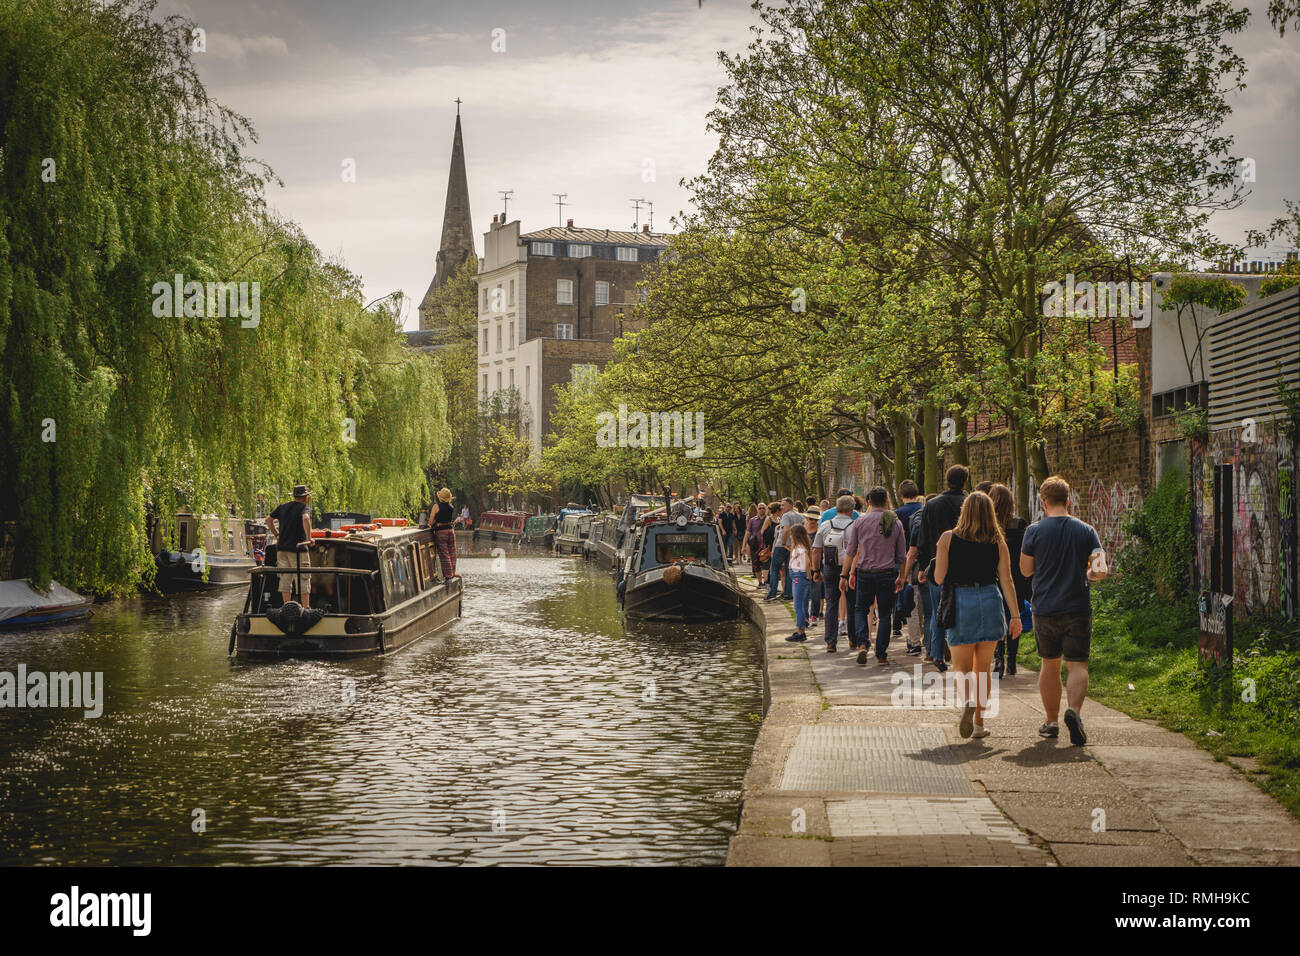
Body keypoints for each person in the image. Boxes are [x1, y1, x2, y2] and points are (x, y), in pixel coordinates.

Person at [1021, 475, 1108, 746]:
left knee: (1050, 664)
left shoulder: (1033, 532)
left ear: (1044, 502)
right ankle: (1075, 712)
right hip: (1077, 607)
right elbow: (1101, 570)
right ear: (1068, 501)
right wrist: (1086, 575)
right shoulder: (1086, 530)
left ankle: (1051, 722)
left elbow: (1025, 570)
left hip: (1045, 607)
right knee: (1077, 664)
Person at [934, 491, 1023, 739]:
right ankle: (979, 725)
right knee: (983, 669)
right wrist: (1015, 616)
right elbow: (1008, 581)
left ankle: (966, 702)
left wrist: (940, 557)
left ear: (964, 511)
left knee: (960, 668)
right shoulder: (998, 542)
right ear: (990, 513)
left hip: (961, 603)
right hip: (990, 601)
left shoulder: (948, 539)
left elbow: (939, 577)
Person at [843, 487, 907, 666]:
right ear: (887, 500)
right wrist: (901, 576)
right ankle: (881, 654)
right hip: (887, 574)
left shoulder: (860, 522)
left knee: (861, 609)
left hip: (864, 573)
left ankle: (863, 642)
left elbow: (851, 551)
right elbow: (902, 555)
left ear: (869, 502)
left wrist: (847, 573)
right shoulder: (895, 522)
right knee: (886, 614)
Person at [915, 465, 970, 672]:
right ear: (965, 481)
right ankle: (961, 654)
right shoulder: (969, 503)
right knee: (963, 613)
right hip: (965, 567)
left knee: (938, 612)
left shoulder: (932, 504)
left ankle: (937, 654)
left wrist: (922, 566)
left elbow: (924, 536)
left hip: (936, 565)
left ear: (947, 481)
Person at [988, 483, 1031, 677]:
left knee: (998, 618)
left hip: (995, 576)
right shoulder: (1020, 524)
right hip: (1017, 577)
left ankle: (999, 658)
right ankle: (1012, 660)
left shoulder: (988, 526)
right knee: (1015, 617)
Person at [811, 495, 856, 652]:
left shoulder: (824, 525)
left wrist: (816, 570)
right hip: (850, 569)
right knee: (852, 603)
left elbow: (816, 551)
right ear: (851, 510)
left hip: (830, 567)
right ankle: (853, 639)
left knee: (831, 603)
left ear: (837, 508)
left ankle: (831, 641)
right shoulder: (854, 526)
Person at [267, 484, 314, 608]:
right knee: (303, 578)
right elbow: (305, 518)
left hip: (281, 549)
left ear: (294, 496)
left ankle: (286, 607)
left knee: (285, 578)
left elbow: (268, 520)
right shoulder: (304, 507)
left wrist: (277, 534)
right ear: (305, 497)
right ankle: (306, 608)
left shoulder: (282, 507)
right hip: (298, 549)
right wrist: (309, 539)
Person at [892, 480, 925, 648]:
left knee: (910, 601)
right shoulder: (925, 510)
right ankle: (926, 637)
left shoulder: (896, 514)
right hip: (925, 562)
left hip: (904, 561)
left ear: (901, 495)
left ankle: (914, 641)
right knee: (924, 604)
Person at [765, 498, 802, 602]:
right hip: (793, 545)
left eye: (783, 505)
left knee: (774, 569)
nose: (781, 507)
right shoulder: (800, 516)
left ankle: (772, 593)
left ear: (790, 505)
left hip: (782, 546)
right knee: (788, 569)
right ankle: (788, 593)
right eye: (781, 505)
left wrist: (784, 543)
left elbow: (785, 530)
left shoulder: (786, 515)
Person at [784, 523, 814, 643]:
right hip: (797, 575)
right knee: (801, 603)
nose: (790, 537)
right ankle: (801, 629)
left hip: (799, 575)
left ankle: (800, 631)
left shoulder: (800, 549)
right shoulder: (799, 547)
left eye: (791, 535)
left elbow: (806, 561)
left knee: (798, 605)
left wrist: (808, 574)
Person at [803, 510, 823, 627]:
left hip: (817, 565)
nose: (813, 522)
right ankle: (805, 616)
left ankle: (814, 615)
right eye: (811, 519)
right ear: (807, 519)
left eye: (816, 520)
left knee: (816, 592)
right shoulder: (802, 532)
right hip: (803, 566)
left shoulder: (820, 532)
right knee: (804, 592)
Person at [432, 487, 458, 579]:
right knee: (452, 553)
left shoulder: (436, 506)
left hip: (441, 531)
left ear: (440, 497)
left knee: (444, 554)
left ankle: (448, 575)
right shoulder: (451, 507)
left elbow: (431, 522)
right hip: (451, 531)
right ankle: (453, 572)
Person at [746, 504, 767, 583]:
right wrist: (744, 546)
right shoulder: (752, 520)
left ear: (766, 509)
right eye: (760, 508)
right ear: (757, 509)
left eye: (763, 508)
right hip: (755, 545)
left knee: (766, 565)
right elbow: (747, 533)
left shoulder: (769, 519)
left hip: (765, 545)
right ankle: (760, 582)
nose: (761, 509)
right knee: (756, 565)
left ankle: (766, 581)